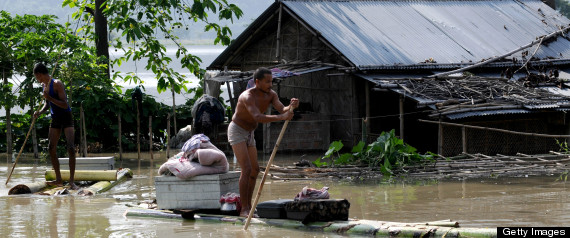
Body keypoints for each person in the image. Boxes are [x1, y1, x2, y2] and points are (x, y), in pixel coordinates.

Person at [228, 67, 299, 217]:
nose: (270, 85)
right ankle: (244, 209)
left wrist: (291, 106)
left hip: (249, 133)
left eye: (271, 81)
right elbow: (257, 117)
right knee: (246, 169)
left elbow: (281, 108)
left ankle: (249, 206)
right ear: (257, 82)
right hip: (237, 130)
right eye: (267, 82)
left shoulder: (271, 94)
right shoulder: (247, 96)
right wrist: (282, 117)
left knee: (255, 170)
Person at [33, 63, 78, 190]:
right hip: (55, 118)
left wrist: (50, 98)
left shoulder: (57, 84)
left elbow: (64, 104)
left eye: (37, 77)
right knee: (51, 148)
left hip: (66, 116)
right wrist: (40, 112)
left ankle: (71, 181)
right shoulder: (44, 86)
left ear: (40, 74)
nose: (38, 80)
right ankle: (58, 180)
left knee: (70, 147)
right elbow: (47, 104)